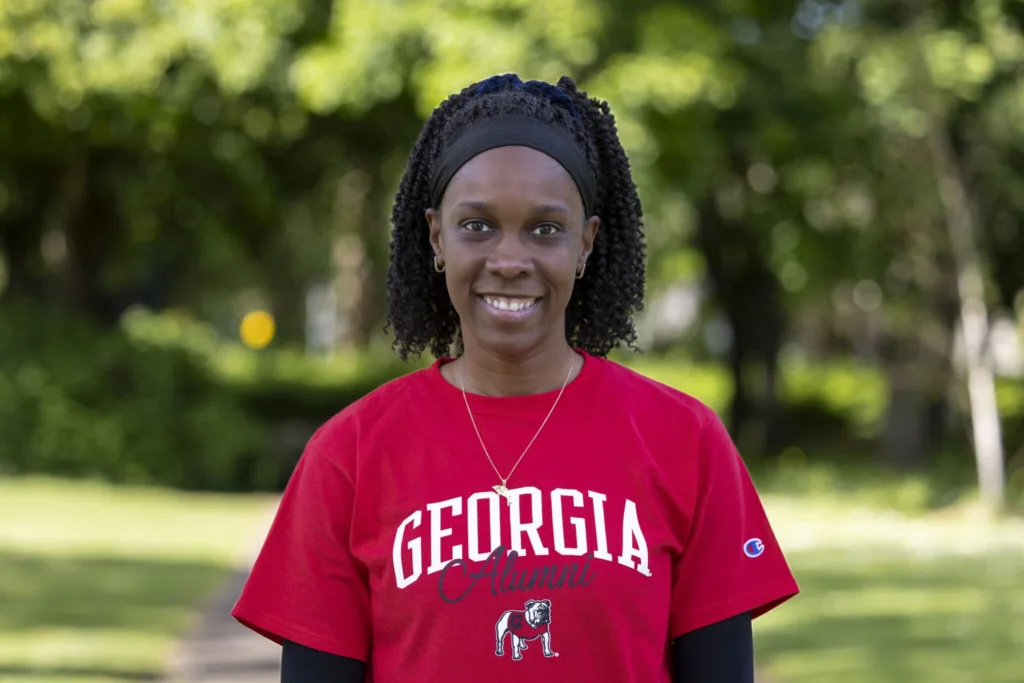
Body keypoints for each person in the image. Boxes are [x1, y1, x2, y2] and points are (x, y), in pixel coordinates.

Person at [231, 73, 799, 683]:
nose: (508, 261)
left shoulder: (685, 440)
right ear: (436, 237)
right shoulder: (350, 453)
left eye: (545, 229)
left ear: (586, 244)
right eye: (477, 225)